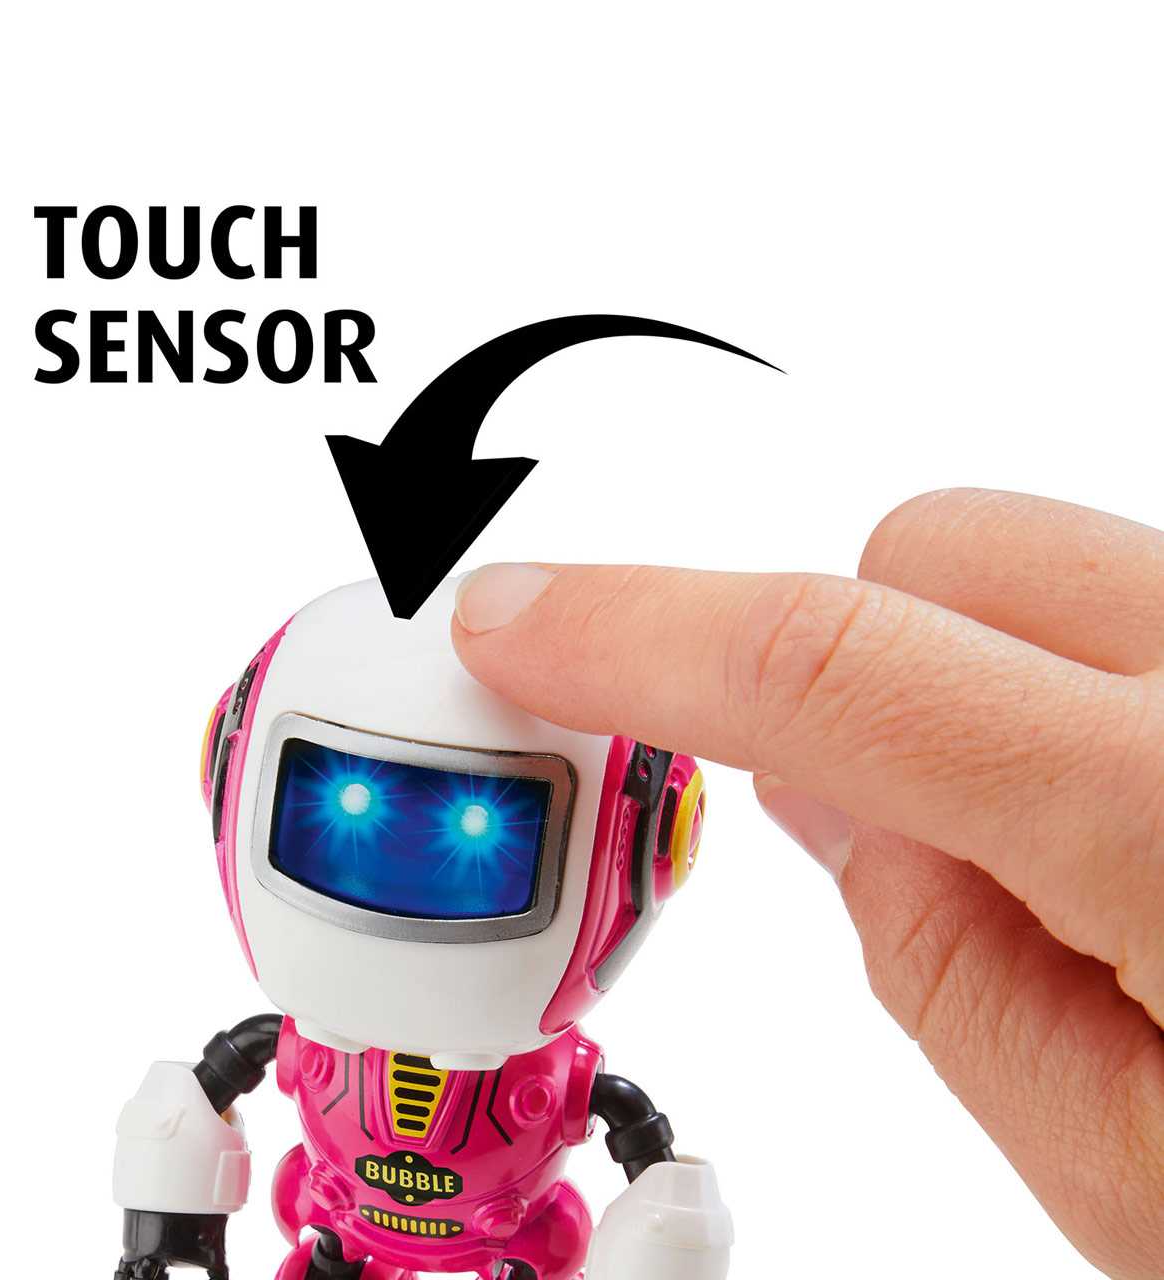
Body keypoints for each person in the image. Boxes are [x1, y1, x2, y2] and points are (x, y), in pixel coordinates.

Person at [450, 488, 1164, 1280]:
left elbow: (643, 1154)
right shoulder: (352, 1045)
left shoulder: (558, 1075)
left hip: (517, 1240)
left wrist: (673, 1226)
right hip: (349, 1226)